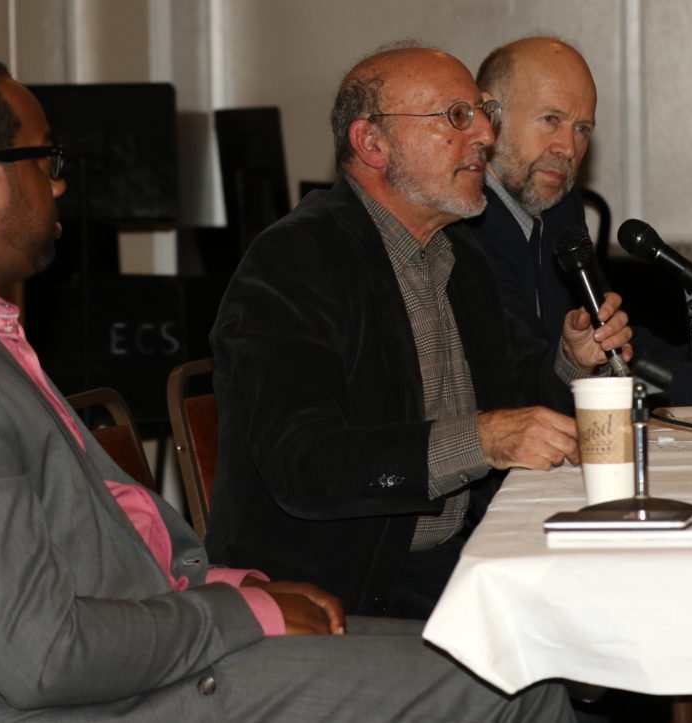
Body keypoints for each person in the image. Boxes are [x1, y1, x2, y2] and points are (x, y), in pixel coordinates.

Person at [0, 54, 576, 722]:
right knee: (515, 689)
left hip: (147, 651)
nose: (60, 180)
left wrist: (218, 582)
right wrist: (236, 608)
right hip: (98, 700)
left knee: (512, 658)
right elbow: (42, 655)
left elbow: (92, 542)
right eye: (46, 161)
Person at [206, 45, 631, 621]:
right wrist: (479, 440)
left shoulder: (458, 254)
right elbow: (304, 465)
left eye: (482, 112)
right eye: (457, 116)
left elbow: (515, 392)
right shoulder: (295, 261)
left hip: (456, 558)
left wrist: (571, 360)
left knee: (632, 605)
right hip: (342, 590)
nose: (485, 132)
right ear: (372, 143)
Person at [471, 36, 692, 407]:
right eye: (551, 119)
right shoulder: (465, 223)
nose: (567, 148)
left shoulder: (559, 208)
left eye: (582, 129)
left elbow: (616, 346)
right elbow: (532, 377)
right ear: (489, 115)